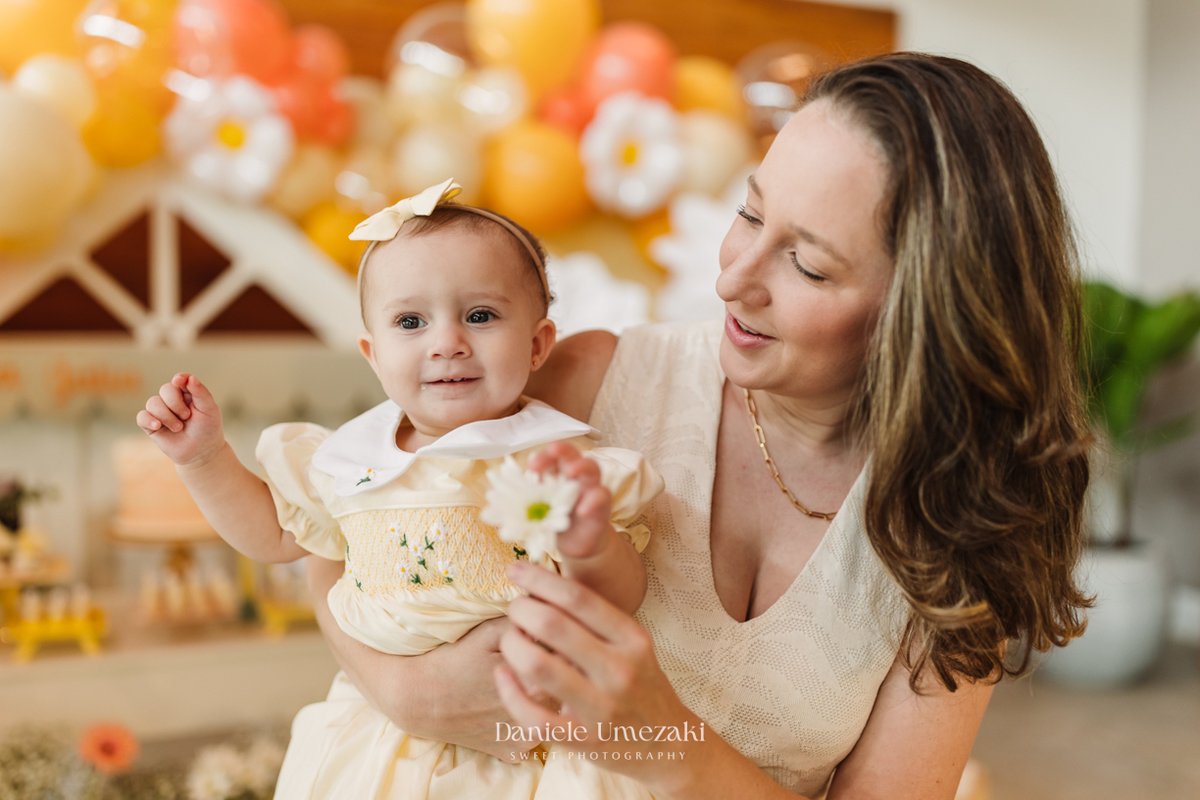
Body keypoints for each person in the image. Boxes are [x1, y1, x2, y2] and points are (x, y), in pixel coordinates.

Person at [310, 53, 1093, 799]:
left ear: (924, 317)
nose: (732, 277)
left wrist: (660, 737)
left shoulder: (963, 526)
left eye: (808, 266)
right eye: (750, 214)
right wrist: (403, 689)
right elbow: (336, 513)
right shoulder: (589, 385)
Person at [135, 179, 665, 798]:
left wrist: (589, 541)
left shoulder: (554, 461)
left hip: (534, 747)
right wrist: (203, 459)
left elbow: (623, 596)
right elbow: (276, 535)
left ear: (538, 342)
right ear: (373, 352)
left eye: (481, 315)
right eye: (410, 321)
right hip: (380, 731)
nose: (447, 342)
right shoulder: (350, 460)